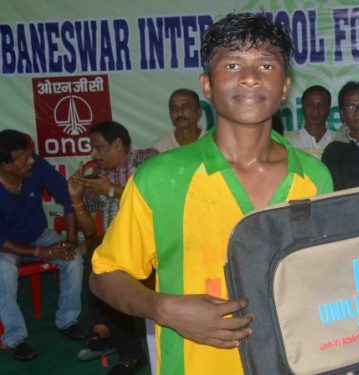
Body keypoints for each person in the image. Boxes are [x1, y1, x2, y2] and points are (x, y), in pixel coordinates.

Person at [88, 13, 333, 375]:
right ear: (207, 84)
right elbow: (104, 274)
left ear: (284, 87)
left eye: (266, 65)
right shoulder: (161, 177)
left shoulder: (315, 178)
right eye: (232, 64)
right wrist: (162, 307)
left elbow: (324, 280)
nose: (250, 77)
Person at [68, 120, 157, 373]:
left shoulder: (146, 159)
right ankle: (123, 347)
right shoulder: (96, 174)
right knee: (98, 259)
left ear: (117, 144)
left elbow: (153, 198)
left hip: (150, 242)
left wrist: (112, 191)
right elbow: (89, 229)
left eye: (98, 147)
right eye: (92, 148)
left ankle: (103, 332)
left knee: (104, 266)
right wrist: (76, 200)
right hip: (116, 246)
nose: (93, 154)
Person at [0, 129, 85, 361]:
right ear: (6, 166)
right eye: (24, 158)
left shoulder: (36, 165)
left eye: (31, 155)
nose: (32, 160)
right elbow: (1, 241)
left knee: (74, 258)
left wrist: (69, 238)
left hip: (39, 234)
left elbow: (67, 195)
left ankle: (68, 320)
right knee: (3, 270)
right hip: (6, 247)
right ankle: (15, 338)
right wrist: (42, 252)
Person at [285, 85, 334, 158]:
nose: (315, 110)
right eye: (310, 105)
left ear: (329, 110)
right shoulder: (286, 141)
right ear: (302, 108)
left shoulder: (339, 140)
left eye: (321, 105)